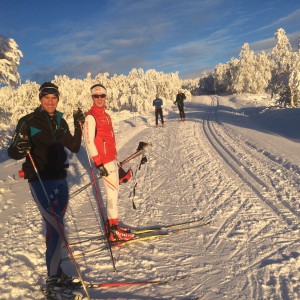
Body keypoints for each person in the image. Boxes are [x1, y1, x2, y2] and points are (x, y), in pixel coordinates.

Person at [7, 82, 85, 297]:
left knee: (54, 230)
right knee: (58, 228)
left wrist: (78, 126)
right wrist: (19, 149)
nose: (50, 102)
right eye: (46, 98)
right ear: (40, 99)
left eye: (54, 98)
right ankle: (52, 281)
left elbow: (75, 146)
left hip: (61, 179)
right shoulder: (28, 121)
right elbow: (13, 151)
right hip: (40, 180)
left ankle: (57, 273)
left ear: (58, 99)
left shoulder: (60, 120)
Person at [83, 83, 135, 242]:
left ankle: (112, 224)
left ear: (106, 96)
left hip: (111, 159)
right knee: (112, 194)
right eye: (96, 96)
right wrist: (98, 163)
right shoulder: (91, 116)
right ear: (92, 98)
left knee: (115, 191)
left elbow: (109, 140)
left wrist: (116, 162)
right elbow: (89, 141)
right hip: (103, 162)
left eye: (102, 96)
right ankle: (113, 230)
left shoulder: (105, 115)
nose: (99, 99)